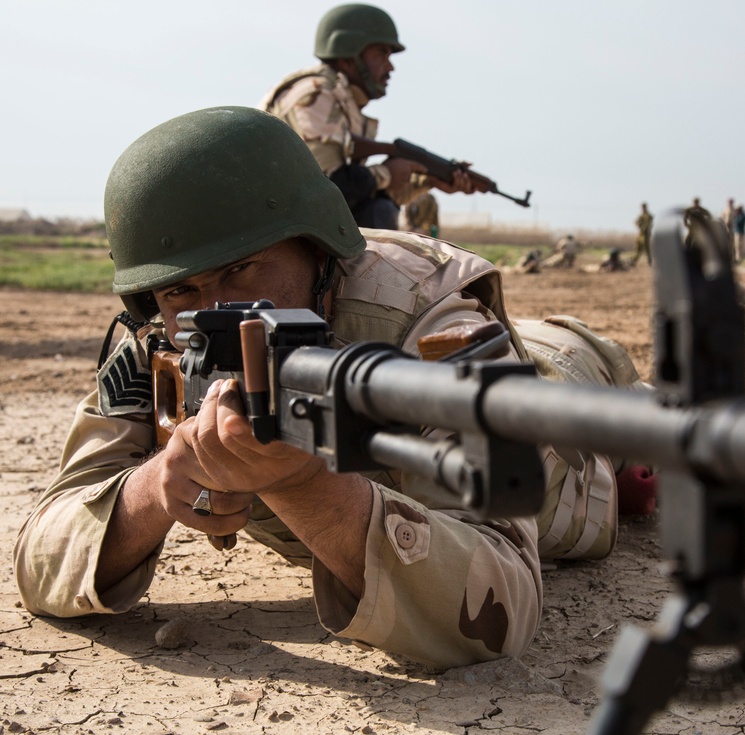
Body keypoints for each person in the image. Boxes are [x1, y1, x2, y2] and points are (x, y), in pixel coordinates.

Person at [14, 106, 644, 670]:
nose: (218, 312)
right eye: (184, 290)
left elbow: (504, 609)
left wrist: (305, 486)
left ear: (317, 249)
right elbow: (39, 557)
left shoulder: (440, 324)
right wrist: (158, 486)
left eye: (243, 269)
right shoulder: (159, 341)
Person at [259, 4, 472, 229]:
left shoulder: (343, 101)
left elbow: (359, 197)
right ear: (349, 56)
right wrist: (387, 174)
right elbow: (325, 189)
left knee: (380, 208)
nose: (390, 67)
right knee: (379, 213)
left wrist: (429, 180)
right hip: (273, 226)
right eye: (381, 53)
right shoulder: (317, 94)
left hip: (291, 223)